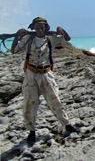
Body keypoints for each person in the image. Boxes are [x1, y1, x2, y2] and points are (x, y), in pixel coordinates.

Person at [11, 17, 79, 145]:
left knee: (55, 100)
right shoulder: (27, 39)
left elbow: (67, 39)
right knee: (30, 103)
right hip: (31, 74)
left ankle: (67, 124)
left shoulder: (51, 38)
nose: (40, 29)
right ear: (34, 28)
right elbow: (14, 50)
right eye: (37, 27)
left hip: (46, 73)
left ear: (46, 28)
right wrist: (17, 35)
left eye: (43, 27)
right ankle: (31, 131)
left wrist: (62, 30)